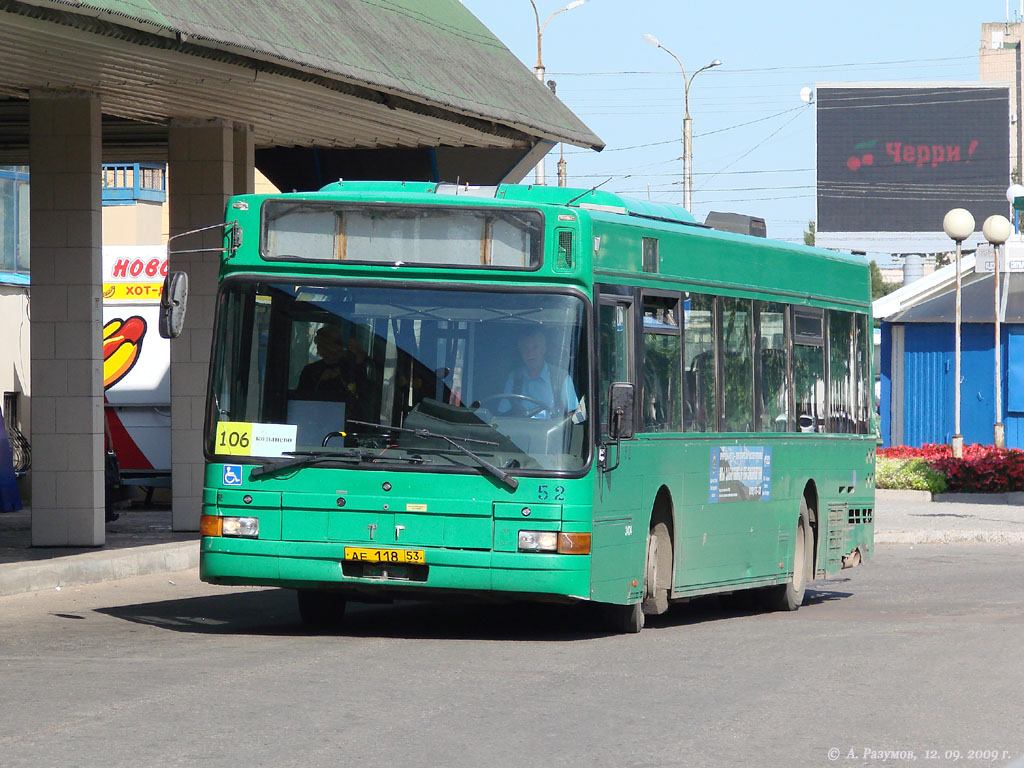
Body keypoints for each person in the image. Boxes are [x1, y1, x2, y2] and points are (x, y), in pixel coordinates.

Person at [499, 327, 580, 419]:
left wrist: (562, 424)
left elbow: (577, 417)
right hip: (519, 431)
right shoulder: (514, 378)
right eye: (525, 348)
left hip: (553, 432)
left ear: (543, 349)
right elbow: (503, 414)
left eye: (535, 348)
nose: (530, 353)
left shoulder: (561, 378)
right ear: (520, 352)